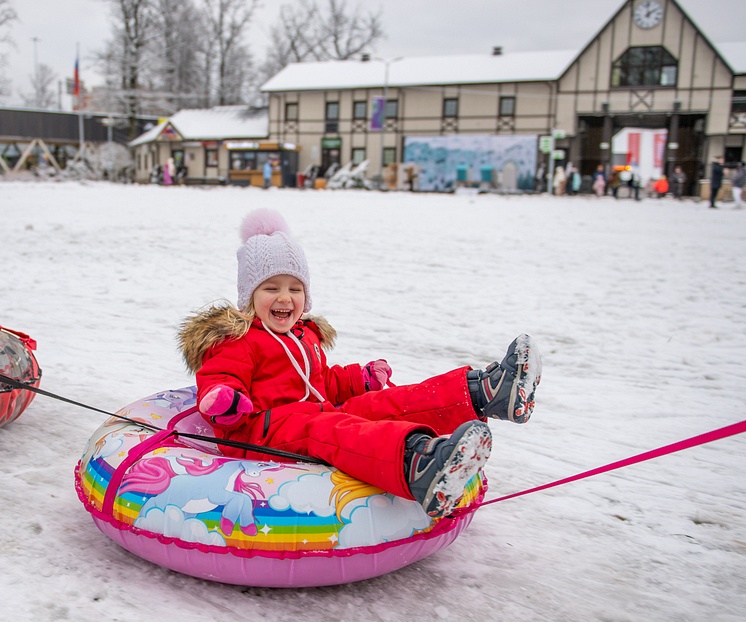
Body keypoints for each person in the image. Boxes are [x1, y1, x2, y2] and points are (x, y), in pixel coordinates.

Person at [177, 209, 542, 518]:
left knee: (381, 404)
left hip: (309, 412)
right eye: (271, 288)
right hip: (260, 433)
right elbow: (219, 378)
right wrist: (226, 400)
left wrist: (357, 380)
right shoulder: (237, 340)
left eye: (295, 287)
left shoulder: (304, 336)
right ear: (249, 296)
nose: (285, 297)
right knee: (330, 428)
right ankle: (418, 463)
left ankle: (486, 391)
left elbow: (320, 383)